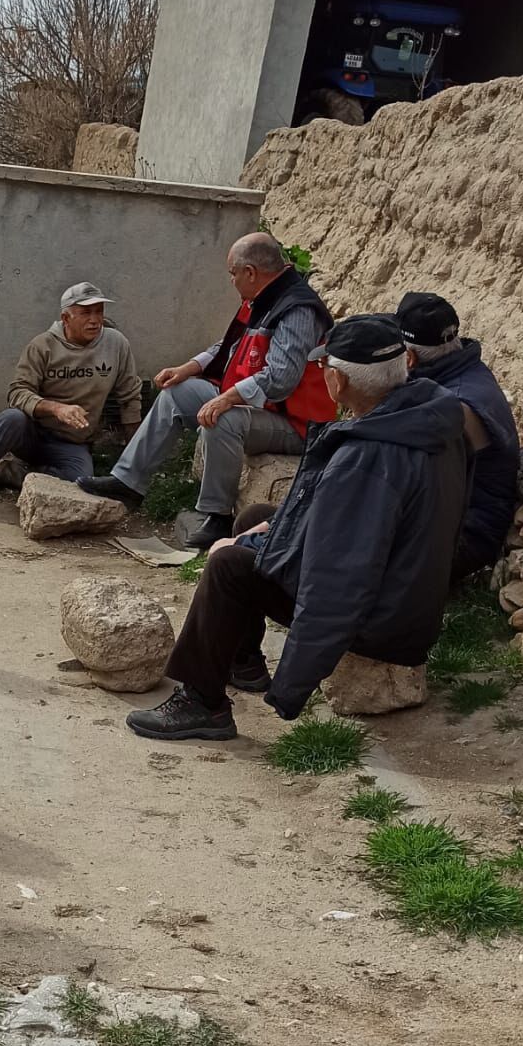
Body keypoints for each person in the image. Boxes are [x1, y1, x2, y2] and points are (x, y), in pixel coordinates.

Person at [127, 314, 466, 743]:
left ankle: (202, 703)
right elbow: (343, 523)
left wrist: (293, 685)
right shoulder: (425, 416)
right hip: (410, 590)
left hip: (384, 620)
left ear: (338, 383)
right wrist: (260, 533)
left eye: (324, 368)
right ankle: (242, 661)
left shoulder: (367, 457)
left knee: (229, 564)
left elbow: (340, 576)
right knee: (254, 519)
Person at [85, 232, 334, 550]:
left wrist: (227, 397)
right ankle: (128, 482)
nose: (231, 281)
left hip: (297, 423)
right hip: (263, 409)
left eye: (233, 273)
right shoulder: (264, 298)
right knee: (178, 393)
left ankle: (218, 517)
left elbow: (282, 378)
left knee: (223, 417)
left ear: (250, 273)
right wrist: (187, 368)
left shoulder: (297, 309)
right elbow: (228, 345)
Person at [0, 283, 142, 522]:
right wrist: (56, 408)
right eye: (86, 313)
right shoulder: (43, 346)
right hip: (32, 434)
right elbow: (17, 392)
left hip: (72, 443)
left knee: (79, 483)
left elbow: (129, 396)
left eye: (99, 312)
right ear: (65, 317)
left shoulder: (116, 344)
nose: (95, 320)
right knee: (11, 418)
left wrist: (136, 460)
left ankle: (11, 473)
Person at [396, 291, 521, 587]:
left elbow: (412, 485)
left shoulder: (454, 407)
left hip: (467, 537)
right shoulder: (463, 370)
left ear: (409, 357)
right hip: (459, 523)